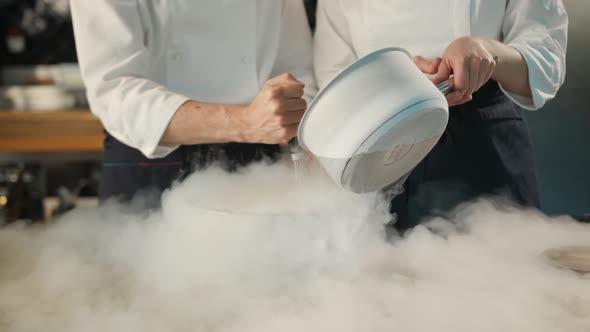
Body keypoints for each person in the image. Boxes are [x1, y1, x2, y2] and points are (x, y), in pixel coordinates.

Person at [314, 0, 568, 231]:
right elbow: (333, 83)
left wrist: (485, 50)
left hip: (483, 143)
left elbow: (545, 61)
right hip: (384, 153)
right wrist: (393, 82)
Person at [70, 0, 317, 203]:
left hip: (257, 161)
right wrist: (245, 122)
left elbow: (295, 71)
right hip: (151, 163)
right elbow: (114, 90)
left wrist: (305, 137)